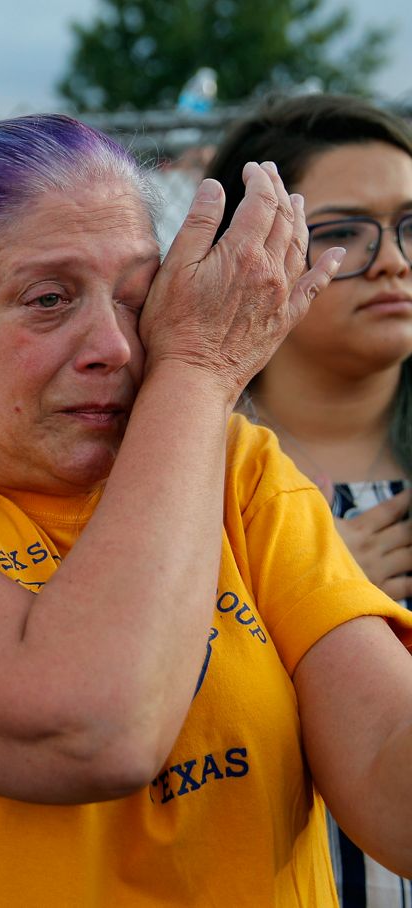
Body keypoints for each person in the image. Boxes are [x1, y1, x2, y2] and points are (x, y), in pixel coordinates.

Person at [0, 113, 412, 906]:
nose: (117, 346)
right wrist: (201, 371)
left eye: (137, 298)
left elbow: (392, 791)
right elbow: (90, 728)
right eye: (48, 299)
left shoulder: (238, 470)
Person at [206, 94, 412, 908]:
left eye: (409, 225)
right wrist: (312, 595)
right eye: (341, 235)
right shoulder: (179, 472)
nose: (393, 261)